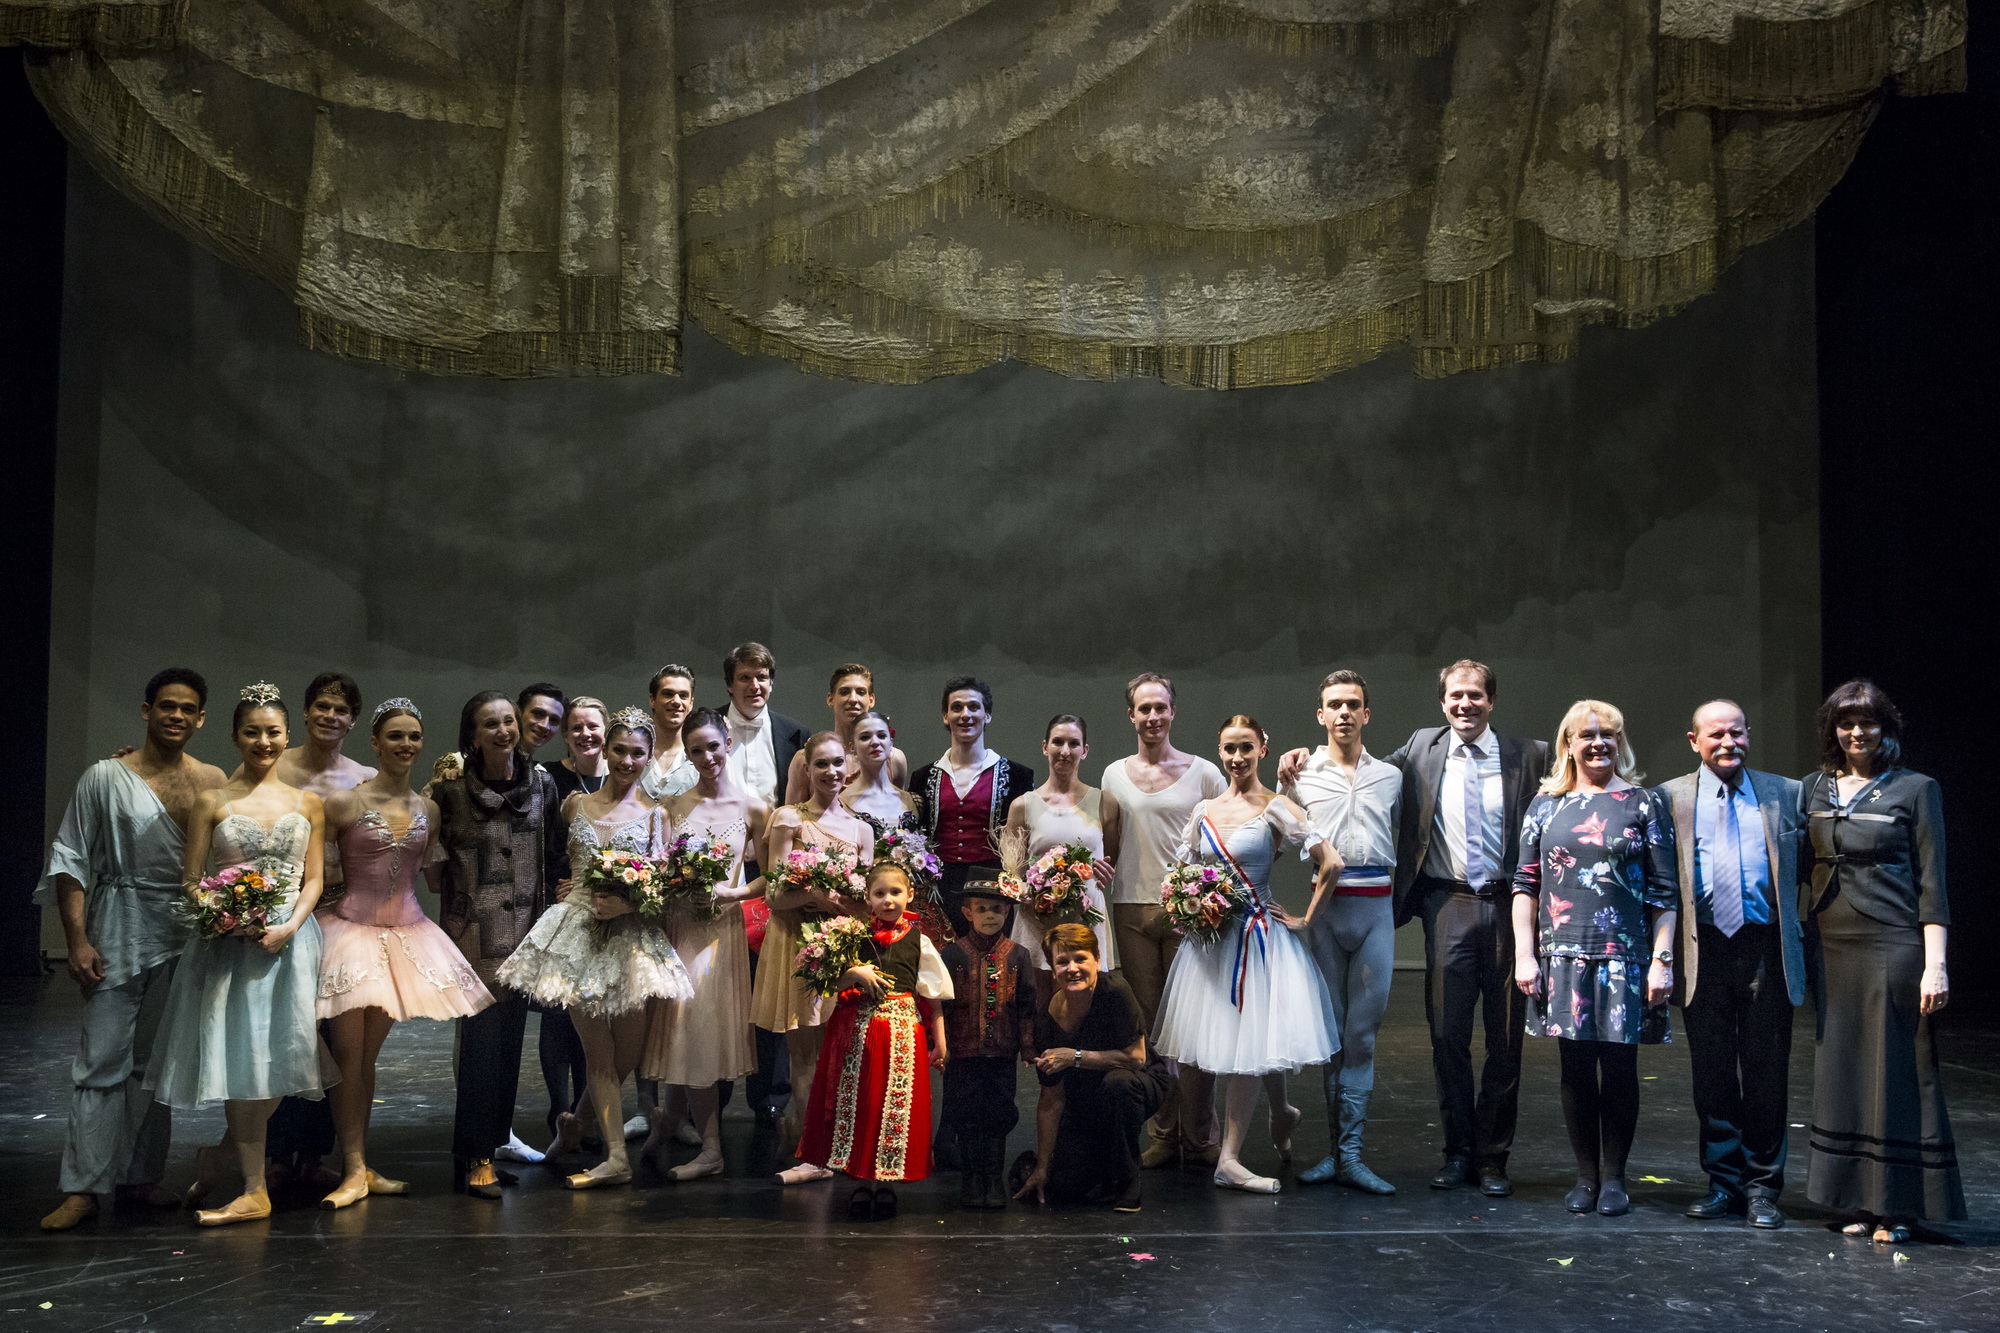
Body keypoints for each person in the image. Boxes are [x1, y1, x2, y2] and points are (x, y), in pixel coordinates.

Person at [37, 668, 227, 1232]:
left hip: (184, 932)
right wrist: (77, 940)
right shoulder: (105, 777)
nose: (176, 716)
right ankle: (82, 1187)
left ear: (201, 719)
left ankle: (140, 1176)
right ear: (147, 711)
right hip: (118, 926)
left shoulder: (212, 779)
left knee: (155, 1064)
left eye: (187, 708)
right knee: (102, 1061)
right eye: (166, 706)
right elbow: (70, 857)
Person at [147, 683, 331, 1226]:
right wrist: (226, 915)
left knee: (282, 1062)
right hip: (230, 947)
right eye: (252, 732)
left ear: (287, 736)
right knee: (242, 1060)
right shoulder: (213, 800)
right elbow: (191, 880)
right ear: (235, 736)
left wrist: (289, 926)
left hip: (290, 944)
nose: (263, 741)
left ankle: (224, 1157)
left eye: (273, 732)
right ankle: (254, 1189)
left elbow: (314, 879)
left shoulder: (307, 802)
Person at [498, 707, 694, 1188]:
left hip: (632, 937)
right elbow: (554, 860)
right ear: (605, 750)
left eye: (637, 753)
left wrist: (629, 904)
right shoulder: (574, 806)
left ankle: (577, 1124)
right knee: (598, 1053)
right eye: (619, 750)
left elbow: (667, 887)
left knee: (627, 1054)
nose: (627, 761)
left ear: (649, 757)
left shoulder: (657, 815)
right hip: (578, 933)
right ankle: (616, 1157)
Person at [316, 699, 494, 1209]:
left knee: (366, 1060)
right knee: (349, 1056)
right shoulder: (344, 803)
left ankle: (358, 1164)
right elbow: (317, 872)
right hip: (350, 934)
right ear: (375, 743)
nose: (406, 744)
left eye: (414, 736)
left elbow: (433, 875)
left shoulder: (428, 809)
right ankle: (353, 1167)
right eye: (395, 736)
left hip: (406, 935)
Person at [1153, 715, 1342, 1194]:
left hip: (1258, 942)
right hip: (1212, 945)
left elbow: (1332, 861)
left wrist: (1306, 919)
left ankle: (1230, 1159)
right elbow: (1181, 870)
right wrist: (1186, 906)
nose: (1237, 758)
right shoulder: (1204, 810)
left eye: (1246, 748)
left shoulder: (1276, 807)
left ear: (1262, 749)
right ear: (1219, 751)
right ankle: (1281, 1110)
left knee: (1250, 1043)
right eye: (1229, 749)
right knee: (1253, 1037)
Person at [1801, 679, 1961, 1244]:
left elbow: (1933, 884)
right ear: (1833, 730)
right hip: (1830, 942)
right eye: (1846, 723)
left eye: (1867, 722)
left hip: (1893, 941)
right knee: (1842, 1067)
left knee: (1895, 1068)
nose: (1856, 733)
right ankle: (1853, 1198)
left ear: (1885, 728)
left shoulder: (1916, 788)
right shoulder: (1814, 787)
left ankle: (1897, 1205)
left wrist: (1936, 964)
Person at [1387, 659, 1550, 1197]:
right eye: (1456, 695)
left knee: (1506, 1040)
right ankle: (1458, 1152)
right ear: (1442, 702)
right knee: (1446, 1035)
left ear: (1491, 701)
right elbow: (1359, 769)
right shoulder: (1420, 748)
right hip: (1448, 905)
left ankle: (1492, 1158)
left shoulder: (1531, 756)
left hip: (1511, 906)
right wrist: (1306, 759)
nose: (1465, 704)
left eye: (1475, 695)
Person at [1511, 700, 1677, 1218]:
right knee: (1576, 1069)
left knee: (1621, 1069)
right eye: (1586, 735)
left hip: (1624, 957)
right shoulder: (1545, 805)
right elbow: (1525, 884)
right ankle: (1585, 1177)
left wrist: (1663, 959)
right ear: (1568, 744)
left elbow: (1664, 891)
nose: (1598, 742)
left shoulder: (1644, 803)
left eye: (1608, 734)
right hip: (1562, 957)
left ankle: (1614, 1180)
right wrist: (1524, 955)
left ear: (1619, 741)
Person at [1659, 700, 1804, 1230]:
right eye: (1716, 734)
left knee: (1767, 1071)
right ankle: (1724, 1183)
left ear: (1748, 735)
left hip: (1764, 947)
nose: (1728, 743)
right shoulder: (1669, 797)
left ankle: (1763, 1187)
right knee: (1713, 1072)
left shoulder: (1786, 792)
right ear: (1694, 740)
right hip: (1703, 949)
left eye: (1737, 733)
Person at [433, 691, 565, 1200]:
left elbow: (553, 853)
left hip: (528, 936)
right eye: (491, 724)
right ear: (472, 735)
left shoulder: (542, 785)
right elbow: (435, 864)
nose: (504, 731)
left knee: (509, 1049)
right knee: (481, 1050)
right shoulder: (449, 792)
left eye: (509, 721)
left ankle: (485, 1149)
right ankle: (475, 1158)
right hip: (474, 937)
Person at [1279, 671, 1401, 1194]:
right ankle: (1335, 1154)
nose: (1344, 712)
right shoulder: (1299, 775)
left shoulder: (1392, 776)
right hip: (1327, 913)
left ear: (1366, 714)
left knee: (1361, 1038)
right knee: (1332, 1039)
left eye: (1353, 704)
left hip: (1375, 911)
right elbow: (1276, 838)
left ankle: (1351, 1155)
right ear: (1321, 715)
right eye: (1335, 704)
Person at [1098, 671, 1226, 1169]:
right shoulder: (1113, 775)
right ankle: (1165, 1133)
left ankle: (1200, 1135)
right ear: (1130, 715)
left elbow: (1225, 839)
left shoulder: (1205, 773)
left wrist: (1208, 899)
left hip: (1187, 913)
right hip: (1132, 909)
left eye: (1160, 707)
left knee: (1191, 1025)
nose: (1153, 716)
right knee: (1151, 1027)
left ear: (1173, 711)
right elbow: (1109, 845)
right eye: (1143, 708)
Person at [643, 706, 770, 1181]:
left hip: (721, 932)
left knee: (698, 1031)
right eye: (696, 751)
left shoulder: (754, 809)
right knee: (685, 1030)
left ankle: (711, 1148)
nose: (707, 757)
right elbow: (658, 870)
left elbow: (771, 879)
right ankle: (673, 1124)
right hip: (681, 929)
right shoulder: (673, 808)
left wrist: (733, 893)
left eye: (713, 747)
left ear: (728, 745)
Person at [264, 671, 376, 1197]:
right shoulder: (274, 764)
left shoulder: (364, 777)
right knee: (285, 1031)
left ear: (353, 722)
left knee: (334, 1040)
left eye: (341, 710)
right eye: (322, 707)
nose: (331, 716)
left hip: (342, 915)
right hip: (282, 911)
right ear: (306, 712)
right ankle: (274, 1154)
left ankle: (314, 1155)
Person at [793, 861, 951, 1221]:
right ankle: (861, 1181)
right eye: (880, 893)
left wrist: (940, 1042)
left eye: (895, 892)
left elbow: (935, 998)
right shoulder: (852, 937)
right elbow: (828, 985)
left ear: (910, 895)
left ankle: (886, 1183)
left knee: (893, 1106)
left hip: (902, 1032)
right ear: (868, 898)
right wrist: (854, 972)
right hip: (859, 1032)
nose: (888, 900)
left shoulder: (920, 940)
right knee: (862, 1104)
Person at [756, 731, 876, 1185]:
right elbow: (774, 896)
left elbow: (867, 903)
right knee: (805, 1055)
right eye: (821, 764)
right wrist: (817, 896)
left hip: (844, 948)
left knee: (843, 1053)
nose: (830, 772)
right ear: (807, 769)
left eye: (837, 763)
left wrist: (840, 904)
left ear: (850, 768)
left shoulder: (861, 829)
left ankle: (839, 1143)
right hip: (797, 946)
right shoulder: (789, 819)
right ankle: (812, 1151)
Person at [1013, 924, 1169, 1212]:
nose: (1072, 968)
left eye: (1081, 959)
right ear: (1052, 968)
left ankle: (1127, 1178)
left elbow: (1136, 1058)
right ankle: (1095, 1166)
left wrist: (1074, 1057)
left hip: (1138, 1081)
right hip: (1084, 1098)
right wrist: (1043, 1166)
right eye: (1062, 961)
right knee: (1065, 1185)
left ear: (1097, 960)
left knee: (1118, 1085)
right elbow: (1051, 1100)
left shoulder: (1115, 991)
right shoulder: (1046, 1021)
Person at [939, 875, 1038, 1209]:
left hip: (1002, 1053)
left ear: (1007, 912)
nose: (990, 915)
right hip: (962, 1053)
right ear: (967, 913)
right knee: (964, 1111)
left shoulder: (1018, 955)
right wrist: (942, 1046)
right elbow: (941, 1006)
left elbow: (1027, 1003)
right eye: (981, 909)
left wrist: (1027, 1046)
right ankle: (971, 1179)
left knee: (999, 1111)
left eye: (997, 909)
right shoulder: (951, 955)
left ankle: (993, 1179)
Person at [910, 677, 1036, 935]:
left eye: (973, 707)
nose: (965, 714)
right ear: (945, 716)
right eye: (956, 707)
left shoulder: (1018, 776)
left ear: (987, 715)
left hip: (994, 892)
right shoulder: (922, 777)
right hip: (939, 893)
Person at [1003, 714, 1120, 982]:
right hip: (1037, 921)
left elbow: (1110, 859)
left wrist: (1098, 873)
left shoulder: (1105, 803)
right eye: (1058, 742)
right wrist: (1036, 894)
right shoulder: (1022, 806)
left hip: (1085, 917)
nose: (1065, 751)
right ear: (1045, 747)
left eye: (1073, 743)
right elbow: (1011, 876)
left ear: (1084, 750)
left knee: (1083, 996)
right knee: (1038, 997)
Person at [842, 709, 951, 943]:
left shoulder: (912, 800)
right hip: (867, 910)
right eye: (865, 737)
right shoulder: (841, 804)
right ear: (852, 747)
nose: (875, 742)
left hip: (914, 909)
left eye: (881, 736)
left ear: (891, 742)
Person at [786, 664, 909, 800]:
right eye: (844, 692)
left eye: (861, 692)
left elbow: (899, 810)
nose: (853, 699)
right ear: (830, 699)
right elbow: (791, 812)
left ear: (871, 700)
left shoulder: (893, 760)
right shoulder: (804, 759)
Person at [720, 643, 810, 808]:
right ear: (730, 685)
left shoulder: (797, 734)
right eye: (745, 678)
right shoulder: (706, 727)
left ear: (770, 684)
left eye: (761, 677)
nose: (754, 686)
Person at [640, 665, 699, 801]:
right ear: (652, 700)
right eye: (668, 694)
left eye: (683, 696)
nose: (676, 701)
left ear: (691, 703)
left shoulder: (704, 756)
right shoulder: (633, 753)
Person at [545, 695, 609, 801]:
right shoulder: (547, 775)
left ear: (606, 731)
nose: (585, 734)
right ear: (566, 736)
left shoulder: (622, 773)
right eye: (577, 728)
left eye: (593, 726)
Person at [516, 683, 567, 761]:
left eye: (553, 720)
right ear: (518, 712)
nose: (545, 726)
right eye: (538, 714)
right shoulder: (496, 760)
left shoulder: (536, 768)